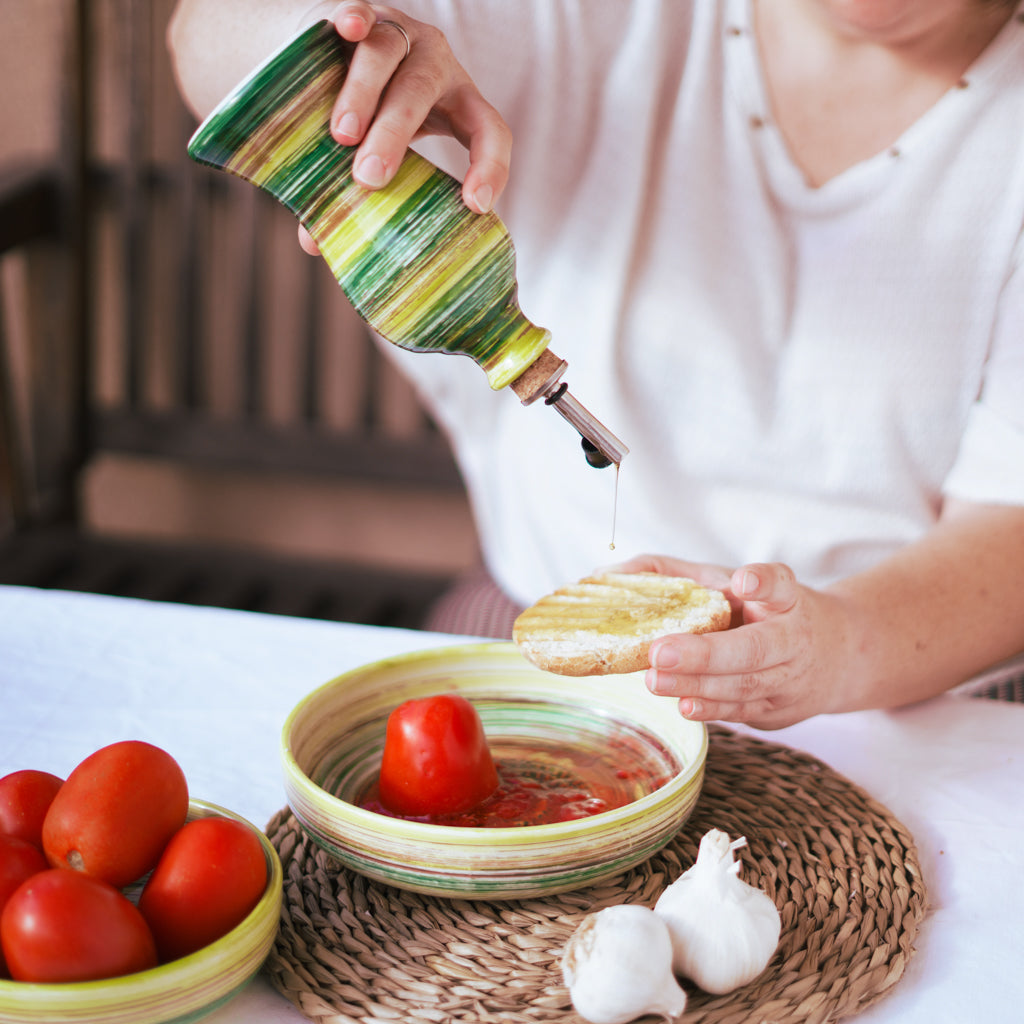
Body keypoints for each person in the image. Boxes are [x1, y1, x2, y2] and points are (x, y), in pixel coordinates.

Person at [167, 0, 1024, 729]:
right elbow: (208, 35)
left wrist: (833, 651)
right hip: (536, 615)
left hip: (912, 689)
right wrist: (349, 57)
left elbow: (1009, 530)